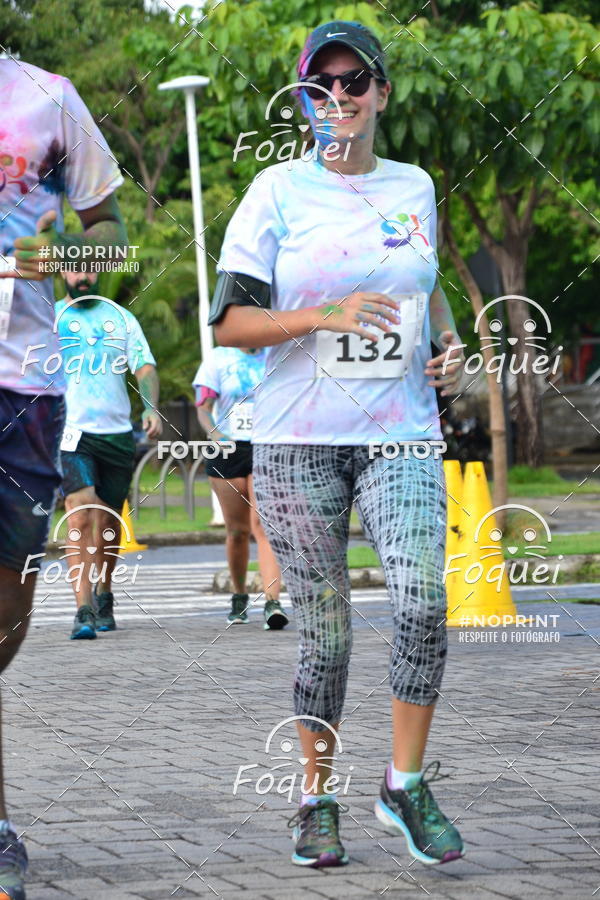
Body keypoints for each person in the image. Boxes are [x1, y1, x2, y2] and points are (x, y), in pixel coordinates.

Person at [210, 21, 467, 870]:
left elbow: (423, 291)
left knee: (424, 603)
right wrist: (322, 315)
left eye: (354, 82)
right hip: (297, 439)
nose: (339, 99)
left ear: (381, 94)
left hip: (401, 436)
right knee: (327, 639)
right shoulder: (275, 193)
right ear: (306, 103)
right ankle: (317, 801)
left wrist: (449, 346)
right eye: (321, 88)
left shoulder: (417, 186)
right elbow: (234, 324)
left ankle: (405, 781)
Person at [0, 57, 126, 898]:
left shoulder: (47, 97)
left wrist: (68, 259)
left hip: (27, 382)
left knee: (8, 608)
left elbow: (108, 228)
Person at [56, 270, 162, 640]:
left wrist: (150, 407)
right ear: (62, 272)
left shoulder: (120, 318)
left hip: (117, 434)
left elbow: (145, 366)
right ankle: (83, 609)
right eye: (75, 268)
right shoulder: (51, 319)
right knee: (80, 513)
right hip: (71, 433)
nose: (82, 276)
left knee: (108, 523)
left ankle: (105, 592)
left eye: (89, 268)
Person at [194, 346, 288, 630]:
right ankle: (239, 595)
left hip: (266, 445)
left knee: (264, 524)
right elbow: (203, 407)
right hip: (227, 449)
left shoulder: (276, 353)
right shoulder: (219, 358)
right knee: (237, 531)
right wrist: (216, 434)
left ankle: (273, 602)